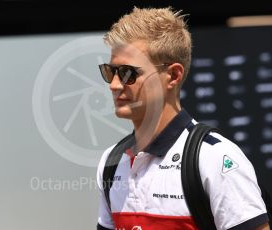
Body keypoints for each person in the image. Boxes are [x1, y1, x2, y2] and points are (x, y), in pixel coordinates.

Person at [96, 6, 270, 230]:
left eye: (128, 73)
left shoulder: (215, 158)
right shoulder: (111, 161)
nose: (114, 85)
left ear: (173, 75)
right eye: (110, 72)